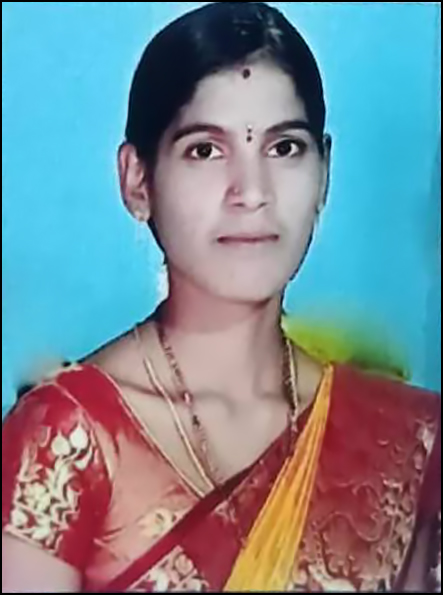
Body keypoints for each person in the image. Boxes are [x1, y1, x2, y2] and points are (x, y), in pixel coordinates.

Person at [2, 2, 440, 592]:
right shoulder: (67, 440)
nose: (252, 192)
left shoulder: (406, 442)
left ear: (324, 174)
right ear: (137, 180)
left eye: (284, 148)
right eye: (205, 150)